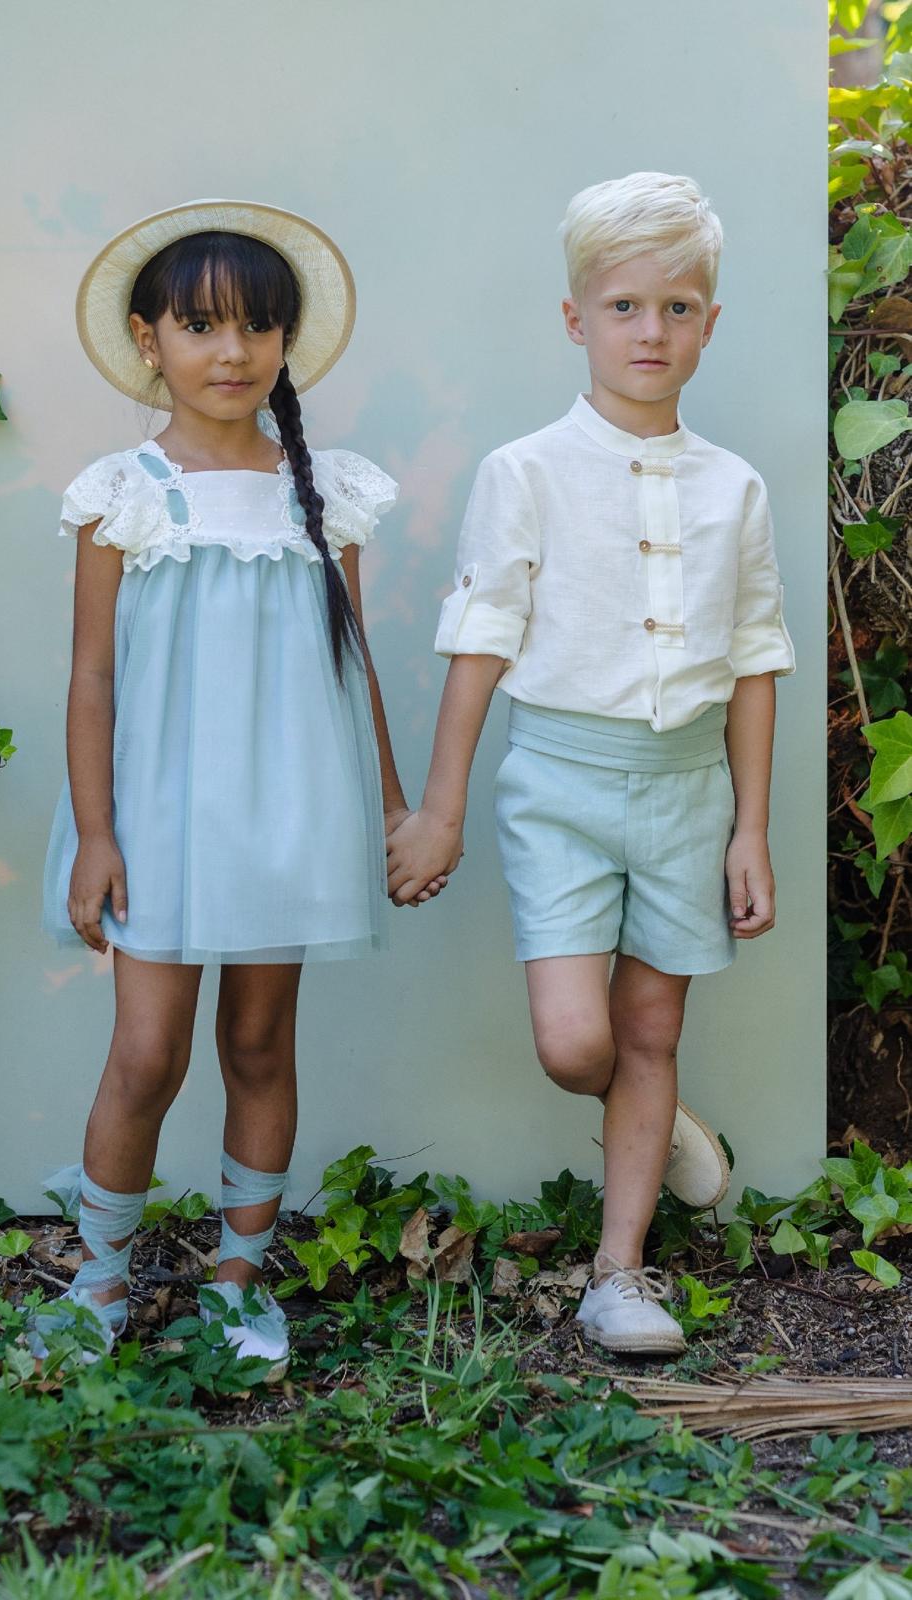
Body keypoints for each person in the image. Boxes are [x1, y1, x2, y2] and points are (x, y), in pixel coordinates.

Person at [386, 172, 795, 1356]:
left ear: (709, 324)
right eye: (624, 306)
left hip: (687, 790)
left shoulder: (735, 487)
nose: (651, 331)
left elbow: (756, 658)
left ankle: (620, 1273)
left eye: (678, 307)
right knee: (581, 1043)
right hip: (557, 785)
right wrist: (444, 806)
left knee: (653, 1032)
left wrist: (750, 827)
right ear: (576, 319)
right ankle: (652, 1121)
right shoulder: (526, 471)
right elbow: (480, 642)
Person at [33, 200, 441, 1375]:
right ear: (146, 335)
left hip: (290, 814)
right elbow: (93, 675)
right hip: (159, 814)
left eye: (258, 328)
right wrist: (95, 834)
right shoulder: (123, 491)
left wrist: (392, 806)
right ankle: (97, 1283)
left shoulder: (327, 492)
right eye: (202, 325)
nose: (232, 353)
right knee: (147, 1054)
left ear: (286, 343)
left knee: (260, 1044)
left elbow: (351, 656)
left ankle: (235, 1284)